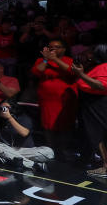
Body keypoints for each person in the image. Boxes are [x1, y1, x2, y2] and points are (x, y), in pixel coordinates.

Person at [0, 101, 53, 172]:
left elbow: (24, 133)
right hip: (10, 149)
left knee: (49, 152)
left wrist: (10, 118)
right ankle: (34, 165)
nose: (3, 110)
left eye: (6, 108)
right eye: (2, 108)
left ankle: (10, 159)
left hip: (26, 151)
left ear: (12, 109)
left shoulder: (24, 118)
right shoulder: (0, 120)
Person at [72, 46, 107, 179]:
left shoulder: (104, 66)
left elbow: (101, 85)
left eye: (90, 52)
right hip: (94, 103)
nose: (87, 55)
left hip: (98, 104)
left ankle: (105, 167)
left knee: (100, 134)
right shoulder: (100, 66)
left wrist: (81, 74)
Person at [30, 40, 76, 134]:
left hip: (65, 98)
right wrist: (46, 59)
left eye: (56, 47)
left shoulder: (70, 60)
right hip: (47, 98)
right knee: (47, 122)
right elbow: (37, 72)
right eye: (50, 47)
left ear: (64, 49)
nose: (53, 49)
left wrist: (55, 59)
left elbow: (71, 72)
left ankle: (64, 147)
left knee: (65, 122)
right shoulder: (41, 60)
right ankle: (50, 147)